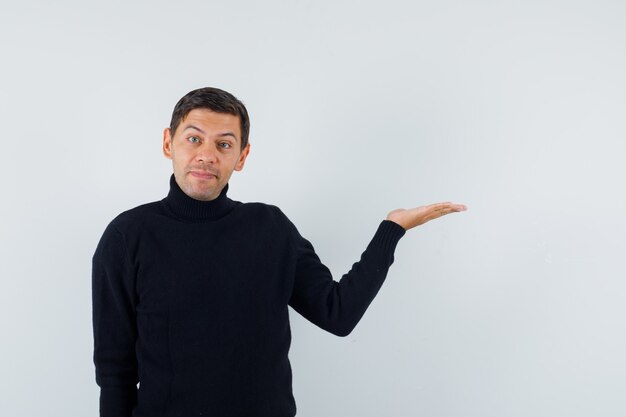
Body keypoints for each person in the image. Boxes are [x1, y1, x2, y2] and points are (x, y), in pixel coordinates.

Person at [91, 87, 466, 417]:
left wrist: (392, 230)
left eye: (223, 144)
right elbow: (115, 372)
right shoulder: (127, 236)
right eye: (194, 139)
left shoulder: (269, 229)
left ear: (242, 156)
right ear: (167, 143)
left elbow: (338, 313)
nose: (206, 155)